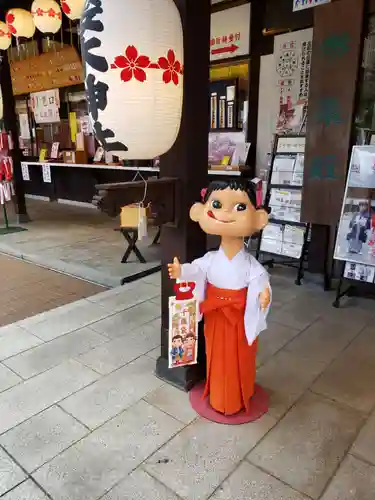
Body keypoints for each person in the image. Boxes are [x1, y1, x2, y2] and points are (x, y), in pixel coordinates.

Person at [168, 179, 271, 416]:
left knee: (240, 357)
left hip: (239, 314)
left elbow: (260, 278)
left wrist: (263, 292)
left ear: (259, 219)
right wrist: (181, 271)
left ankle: (237, 397)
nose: (226, 213)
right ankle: (217, 396)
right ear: (199, 212)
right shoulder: (210, 258)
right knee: (215, 354)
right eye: (216, 204)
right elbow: (196, 269)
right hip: (215, 314)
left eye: (240, 207)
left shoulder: (248, 263)